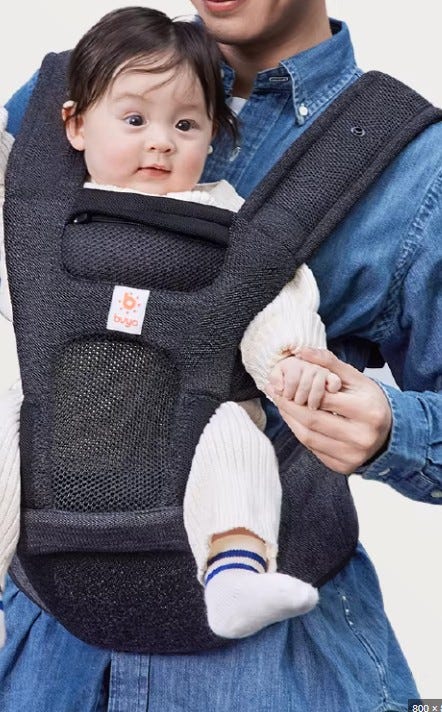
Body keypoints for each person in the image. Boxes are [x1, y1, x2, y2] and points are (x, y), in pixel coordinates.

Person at [0, 1, 441, 710]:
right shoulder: (70, 82)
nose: (159, 142)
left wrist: (393, 428)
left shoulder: (411, 165)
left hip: (273, 668)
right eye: (134, 120)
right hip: (42, 653)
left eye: (185, 125)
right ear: (77, 122)